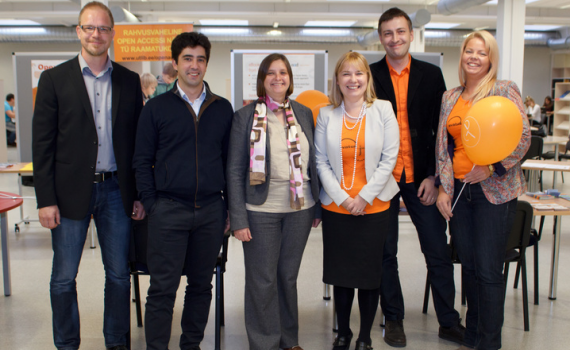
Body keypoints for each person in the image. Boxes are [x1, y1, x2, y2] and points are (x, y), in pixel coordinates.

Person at [31, 2, 145, 350]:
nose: (97, 34)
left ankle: (116, 342)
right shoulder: (54, 79)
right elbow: (42, 145)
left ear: (113, 33)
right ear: (79, 31)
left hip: (116, 191)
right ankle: (66, 343)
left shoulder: (128, 80)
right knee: (64, 278)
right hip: (67, 195)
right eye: (89, 28)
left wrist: (138, 193)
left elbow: (136, 145)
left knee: (118, 277)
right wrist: (45, 200)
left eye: (104, 28)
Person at [369, 7, 465, 347]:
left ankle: (449, 322)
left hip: (421, 177)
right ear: (381, 37)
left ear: (411, 35)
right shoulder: (369, 75)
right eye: (388, 33)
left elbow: (441, 130)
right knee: (385, 252)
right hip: (382, 179)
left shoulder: (430, 74)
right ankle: (393, 318)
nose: (395, 38)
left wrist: (435, 177)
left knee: (437, 249)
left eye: (400, 32)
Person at [133, 32, 234, 350]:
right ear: (175, 63)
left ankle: (191, 345)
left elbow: (230, 163)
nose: (194, 65)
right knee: (162, 288)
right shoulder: (157, 108)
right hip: (168, 210)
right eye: (187, 58)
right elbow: (141, 160)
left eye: (200, 59)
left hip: (210, 212)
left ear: (206, 63)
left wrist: (229, 208)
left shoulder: (222, 108)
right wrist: (153, 203)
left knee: (201, 286)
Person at [435, 30, 530, 350]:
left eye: (482, 52)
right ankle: (472, 335)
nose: (474, 57)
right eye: (469, 51)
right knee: (471, 268)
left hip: (494, 193)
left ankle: (489, 343)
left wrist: (491, 167)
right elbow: (443, 148)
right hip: (460, 194)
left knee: (489, 270)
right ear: (461, 56)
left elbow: (522, 138)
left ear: (491, 59)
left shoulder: (504, 90)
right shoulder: (450, 97)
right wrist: (444, 189)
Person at [227, 53, 320, 350]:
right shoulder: (245, 116)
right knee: (262, 280)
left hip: (300, 209)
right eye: (271, 73)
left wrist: (317, 206)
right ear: (262, 79)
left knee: (287, 277)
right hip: (260, 210)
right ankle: (264, 343)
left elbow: (313, 162)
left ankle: (288, 340)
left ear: (290, 78)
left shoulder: (304, 113)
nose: (278, 78)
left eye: (283, 72)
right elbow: (234, 169)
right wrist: (238, 219)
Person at [315, 51, 399, 350]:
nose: (353, 79)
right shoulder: (326, 114)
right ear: (337, 80)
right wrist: (343, 198)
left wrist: (363, 197)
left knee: (368, 274)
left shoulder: (383, 110)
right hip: (336, 208)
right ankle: (343, 332)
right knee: (341, 274)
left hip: (374, 206)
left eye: (359, 73)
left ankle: (364, 336)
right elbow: (320, 161)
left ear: (367, 78)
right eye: (346, 74)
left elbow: (390, 158)